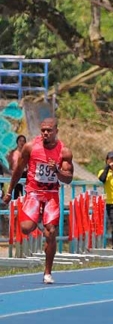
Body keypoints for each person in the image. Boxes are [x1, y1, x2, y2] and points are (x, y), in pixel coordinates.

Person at [2, 119, 74, 284]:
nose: (46, 133)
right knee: (26, 228)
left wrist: (56, 170)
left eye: (49, 130)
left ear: (56, 130)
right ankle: (40, 221)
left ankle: (47, 272)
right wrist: (9, 191)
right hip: (34, 192)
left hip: (51, 194)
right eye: (43, 130)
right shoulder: (30, 148)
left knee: (51, 232)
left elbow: (68, 178)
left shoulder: (64, 152)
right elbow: (18, 170)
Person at [4, 134, 26, 200]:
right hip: (15, 176)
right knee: (15, 196)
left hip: (24, 176)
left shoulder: (26, 153)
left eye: (23, 141)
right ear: (17, 142)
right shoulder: (12, 153)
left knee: (24, 196)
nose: (22, 142)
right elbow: (8, 164)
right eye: (20, 141)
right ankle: (14, 209)